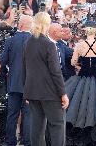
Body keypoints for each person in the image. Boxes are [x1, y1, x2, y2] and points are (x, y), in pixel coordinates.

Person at [23, 12, 68, 146]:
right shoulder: (49, 44)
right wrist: (63, 93)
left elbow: (24, 68)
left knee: (36, 127)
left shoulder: (27, 42)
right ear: (46, 25)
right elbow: (55, 71)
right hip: (50, 93)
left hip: (32, 91)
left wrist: (25, 90)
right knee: (57, 125)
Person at [0, 15, 33, 146]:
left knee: (12, 115)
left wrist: (9, 70)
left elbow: (2, 61)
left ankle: (10, 142)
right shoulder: (34, 41)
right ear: (30, 25)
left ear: (19, 25)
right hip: (30, 85)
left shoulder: (10, 40)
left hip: (14, 84)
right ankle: (27, 142)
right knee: (28, 115)